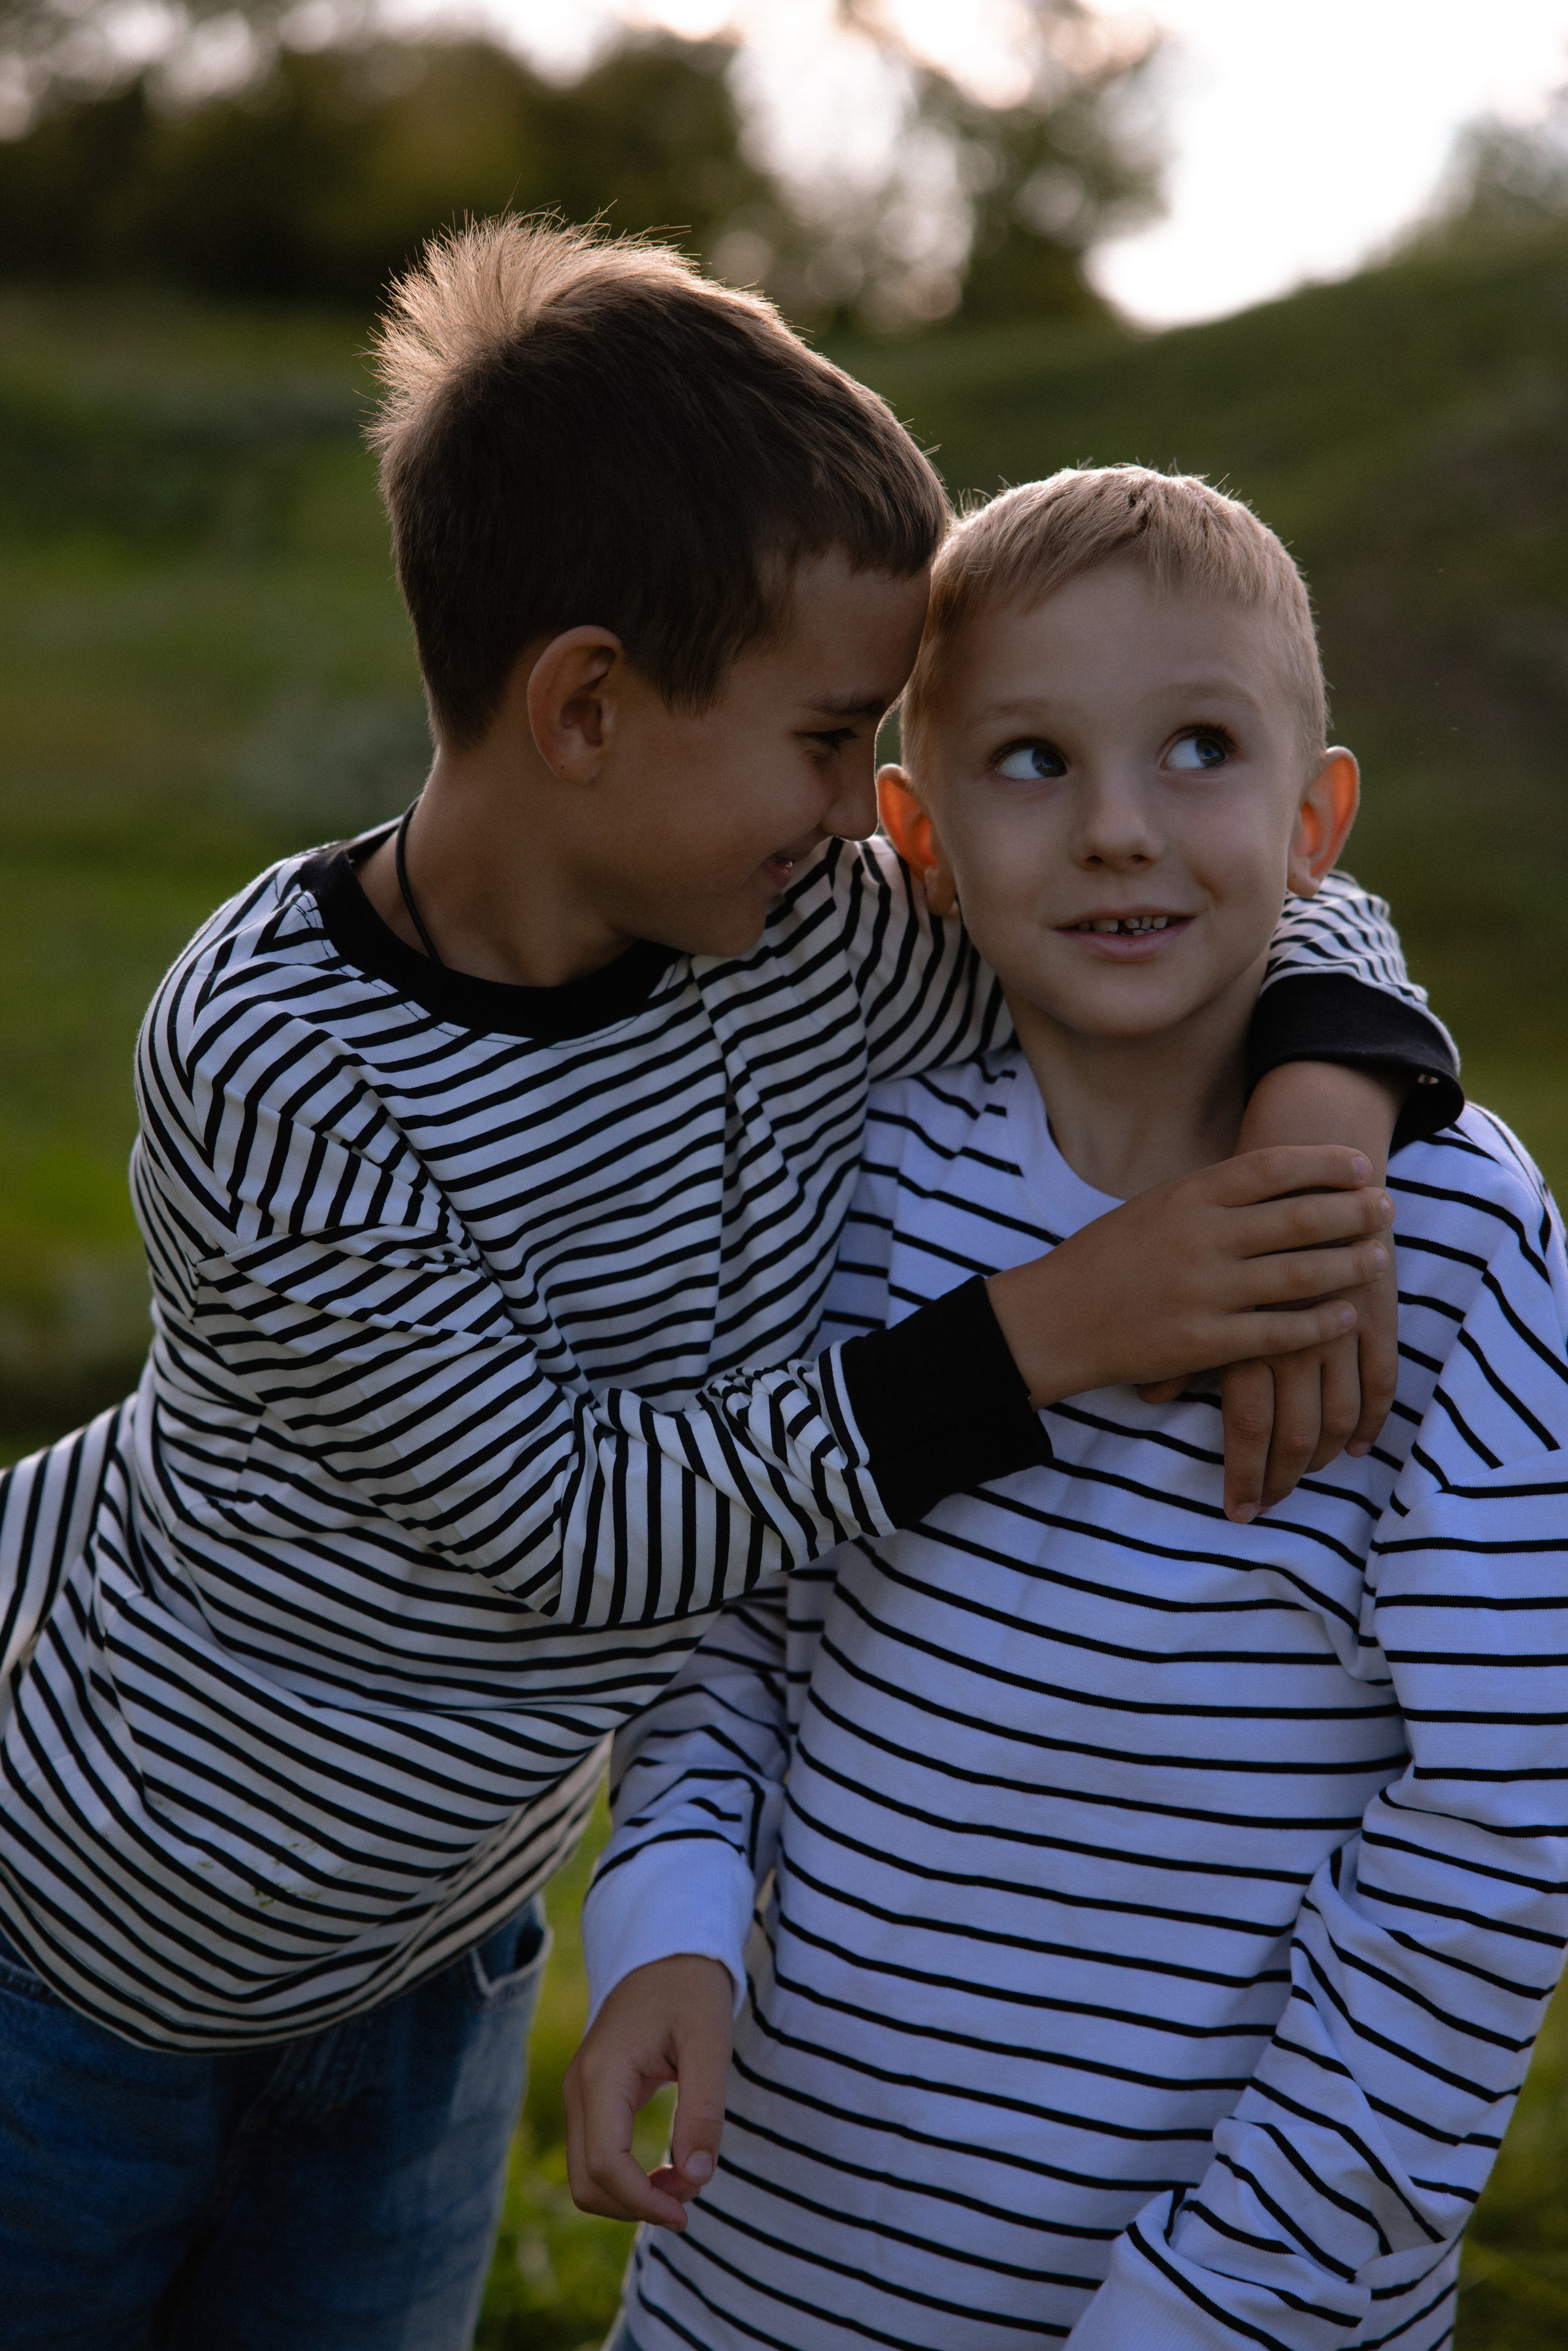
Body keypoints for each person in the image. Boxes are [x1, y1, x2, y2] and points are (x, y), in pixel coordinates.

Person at [0, 213, 1449, 2344]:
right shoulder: (274, 1059)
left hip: (440, 1946)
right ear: (585, 704)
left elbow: (1204, 907)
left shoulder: (802, 939)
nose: (869, 805)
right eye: (824, 735)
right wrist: (1072, 1319)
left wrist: (1321, 1114)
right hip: (98, 1928)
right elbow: (573, 1526)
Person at [570, 467, 1568, 2351]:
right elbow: (734, 1608)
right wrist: (674, 1916)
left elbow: (1504, 1824)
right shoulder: (853, 1184)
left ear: (1317, 818)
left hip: (1215, 2300)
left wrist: (1223, 2300)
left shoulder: (1446, 1244)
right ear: (916, 840)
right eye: (1029, 761)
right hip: (769, 2267)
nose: (1117, 831)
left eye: (1199, 748)